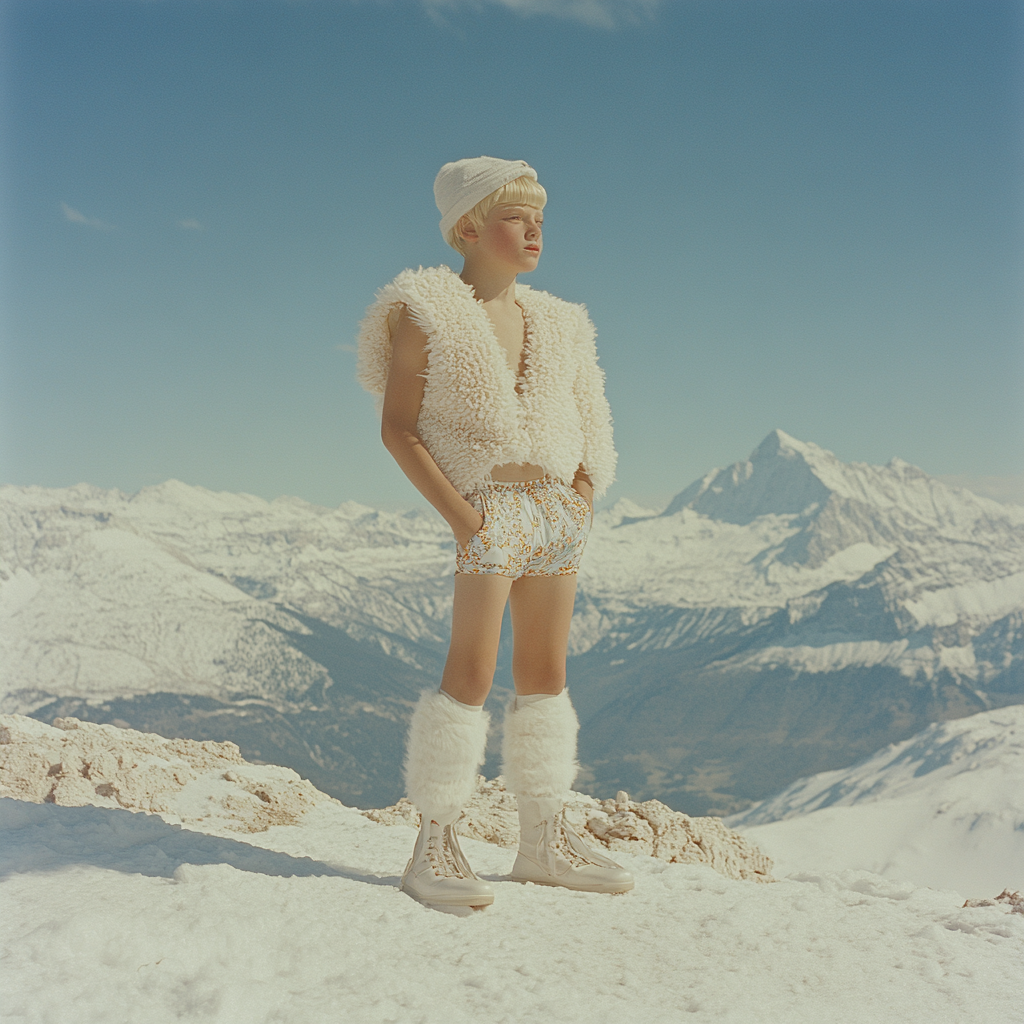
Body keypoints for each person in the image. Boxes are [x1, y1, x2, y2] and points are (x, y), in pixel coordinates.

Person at [357, 156, 632, 907]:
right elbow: (399, 428)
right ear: (468, 228)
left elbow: (591, 411)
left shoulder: (562, 321)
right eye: (516, 215)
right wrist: (465, 517)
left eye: (540, 215)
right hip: (490, 512)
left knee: (546, 674)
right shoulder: (429, 310)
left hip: (557, 517)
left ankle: (542, 840)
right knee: (472, 672)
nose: (535, 228)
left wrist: (585, 491)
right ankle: (434, 842)